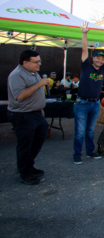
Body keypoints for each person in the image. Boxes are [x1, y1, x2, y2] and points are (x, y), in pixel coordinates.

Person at [73, 22, 104, 164]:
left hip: (95, 104)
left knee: (90, 131)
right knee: (80, 132)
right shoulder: (86, 66)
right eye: (98, 58)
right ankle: (77, 154)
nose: (100, 60)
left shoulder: (103, 69)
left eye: (102, 59)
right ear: (93, 58)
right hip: (82, 103)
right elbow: (84, 49)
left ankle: (89, 152)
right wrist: (84, 34)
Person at [8, 50, 50, 185]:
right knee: (25, 144)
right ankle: (25, 174)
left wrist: (40, 108)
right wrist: (40, 83)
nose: (39, 64)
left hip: (36, 113)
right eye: (36, 62)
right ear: (25, 62)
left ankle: (28, 165)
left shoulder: (33, 72)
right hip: (23, 115)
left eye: (40, 61)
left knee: (37, 140)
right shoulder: (17, 75)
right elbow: (20, 95)